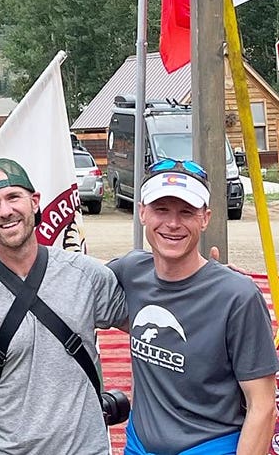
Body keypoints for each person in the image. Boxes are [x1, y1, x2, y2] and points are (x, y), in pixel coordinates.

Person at [0, 158, 125, 455]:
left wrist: (218, 284)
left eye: (13, 197)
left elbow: (149, 319)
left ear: (35, 201)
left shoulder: (85, 275)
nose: (5, 211)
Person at [108, 159, 278, 455]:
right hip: (140, 446)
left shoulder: (237, 296)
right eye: (161, 209)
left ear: (205, 218)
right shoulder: (130, 271)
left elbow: (262, 407)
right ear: (142, 212)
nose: (173, 224)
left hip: (210, 446)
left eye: (186, 212)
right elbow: (70, 282)